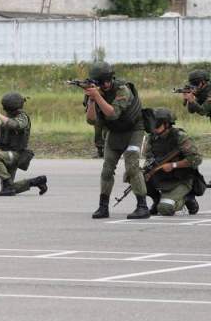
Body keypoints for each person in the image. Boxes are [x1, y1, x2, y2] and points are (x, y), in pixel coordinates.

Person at [84, 62, 148, 219]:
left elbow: (112, 114)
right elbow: (91, 120)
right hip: (115, 132)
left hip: (134, 130)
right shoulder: (94, 93)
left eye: (108, 80)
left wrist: (97, 96)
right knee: (107, 170)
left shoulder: (123, 89)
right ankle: (103, 207)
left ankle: (142, 206)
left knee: (132, 167)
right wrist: (92, 100)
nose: (106, 84)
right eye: (101, 82)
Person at [0, 92, 47, 196]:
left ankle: (7, 185)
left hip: (16, 154)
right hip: (6, 154)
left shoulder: (23, 117)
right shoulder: (5, 118)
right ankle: (36, 181)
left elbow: (15, 125)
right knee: (10, 187)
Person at [144, 108, 202, 217]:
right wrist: (147, 171)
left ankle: (187, 198)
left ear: (166, 124)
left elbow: (196, 159)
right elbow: (148, 158)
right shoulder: (152, 138)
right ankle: (157, 200)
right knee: (136, 177)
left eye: (157, 125)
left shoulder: (179, 136)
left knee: (165, 209)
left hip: (182, 179)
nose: (153, 128)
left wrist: (173, 165)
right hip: (163, 177)